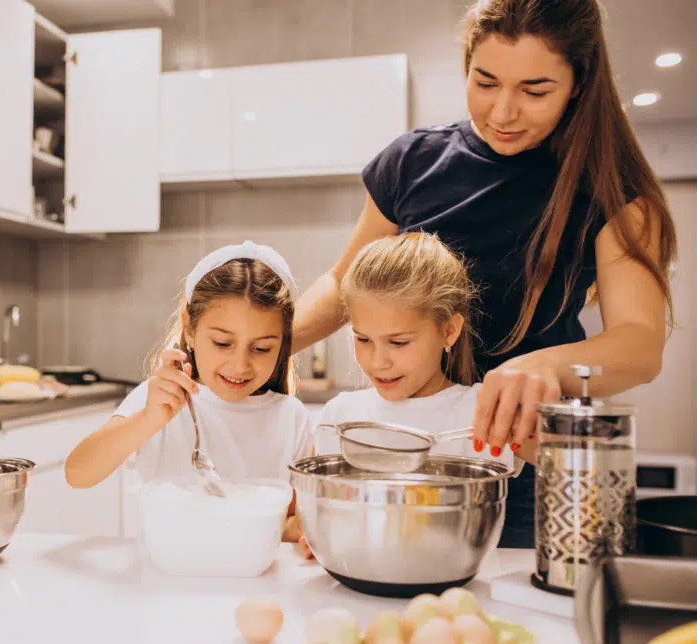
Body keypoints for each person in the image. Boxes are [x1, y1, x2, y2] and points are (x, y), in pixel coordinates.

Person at [292, 0, 677, 548]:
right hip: (418, 469)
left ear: (578, 82)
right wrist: (265, 344)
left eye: (535, 91)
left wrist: (544, 365)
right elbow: (342, 283)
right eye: (485, 81)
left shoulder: (612, 191)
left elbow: (641, 345)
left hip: (529, 478)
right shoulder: (412, 163)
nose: (502, 112)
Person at [64, 241, 314, 539]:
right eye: (222, 343)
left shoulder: (291, 417)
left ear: (282, 342)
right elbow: (77, 474)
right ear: (190, 329)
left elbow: (292, 522)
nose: (240, 365)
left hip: (252, 579)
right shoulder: (158, 400)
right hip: (167, 577)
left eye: (261, 348)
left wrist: (307, 530)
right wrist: (147, 420)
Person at [317, 232, 531, 472]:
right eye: (363, 339)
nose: (378, 362)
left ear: (449, 330)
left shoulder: (485, 411)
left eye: (398, 343)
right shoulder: (340, 416)